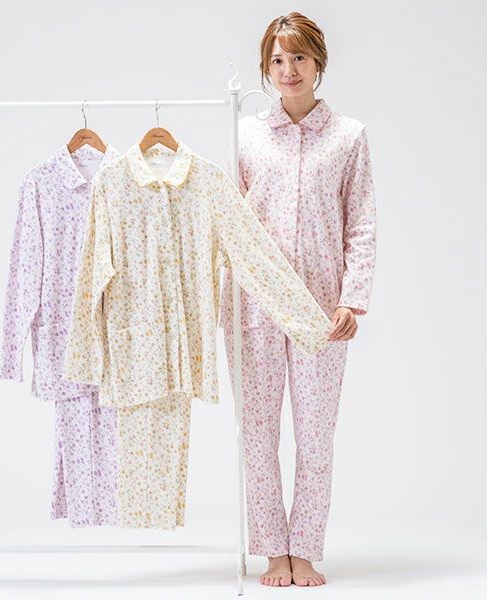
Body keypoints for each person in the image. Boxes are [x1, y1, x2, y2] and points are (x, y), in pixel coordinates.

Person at [219, 12, 377, 587]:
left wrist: (352, 300)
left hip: (321, 311)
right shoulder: (244, 135)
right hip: (252, 307)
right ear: (266, 67)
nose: (288, 70)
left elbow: (361, 222)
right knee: (259, 433)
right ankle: (271, 550)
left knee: (315, 436)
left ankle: (305, 548)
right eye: (277, 60)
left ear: (318, 62)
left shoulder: (349, 136)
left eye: (299, 58)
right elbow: (227, 222)